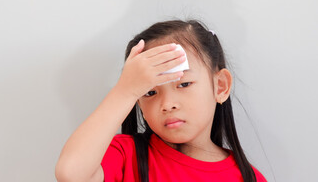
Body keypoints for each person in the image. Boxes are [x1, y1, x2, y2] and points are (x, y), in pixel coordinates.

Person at [55, 20, 267, 182]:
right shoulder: (126, 156)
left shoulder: (249, 177)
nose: (167, 104)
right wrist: (125, 91)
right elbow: (70, 173)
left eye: (184, 85)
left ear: (220, 86)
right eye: (149, 92)